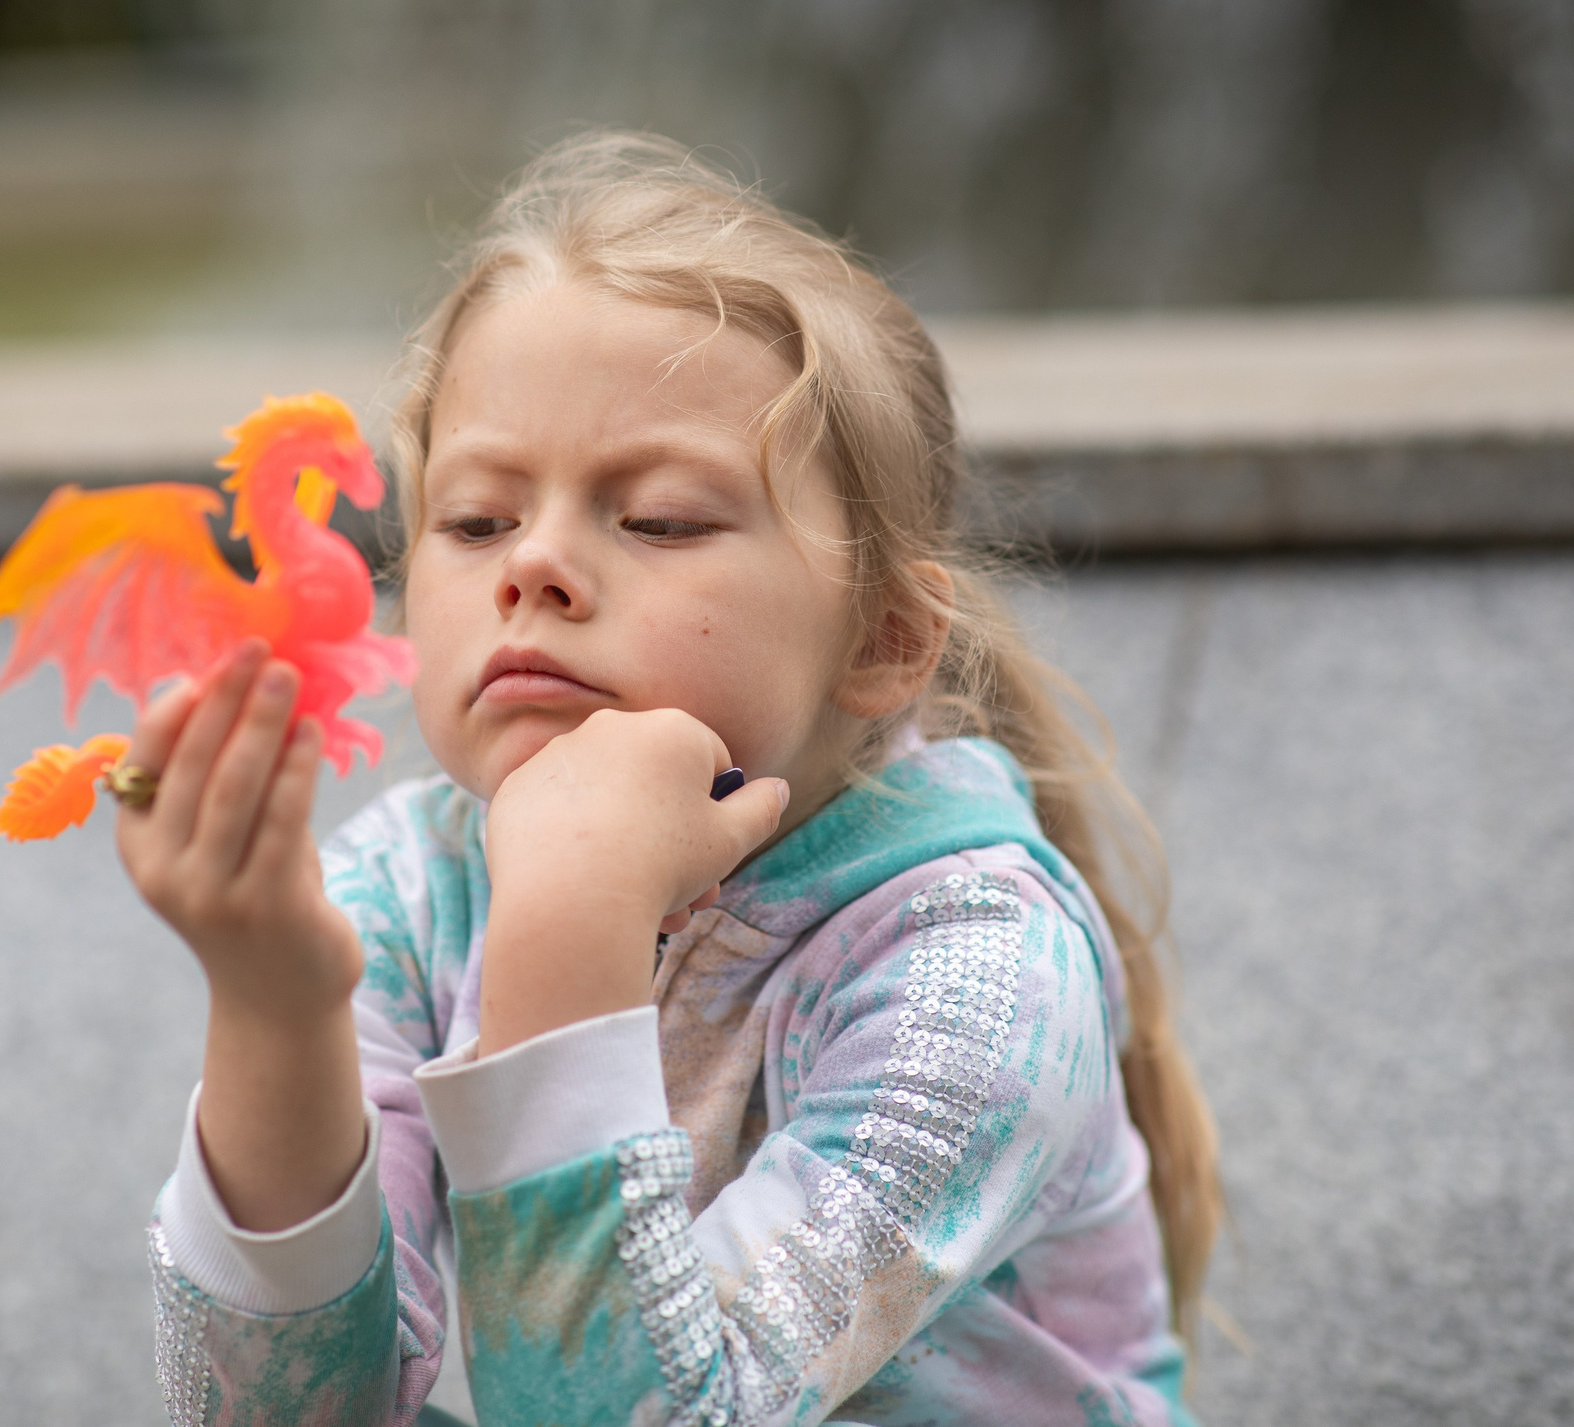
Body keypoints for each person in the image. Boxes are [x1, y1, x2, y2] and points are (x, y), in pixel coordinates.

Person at [111, 131, 1221, 1426]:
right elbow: (280, 1414)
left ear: (882, 640)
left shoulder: (977, 968)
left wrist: (567, 941)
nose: (535, 567)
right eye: (476, 521)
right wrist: (273, 1011)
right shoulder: (409, 889)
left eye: (661, 518)